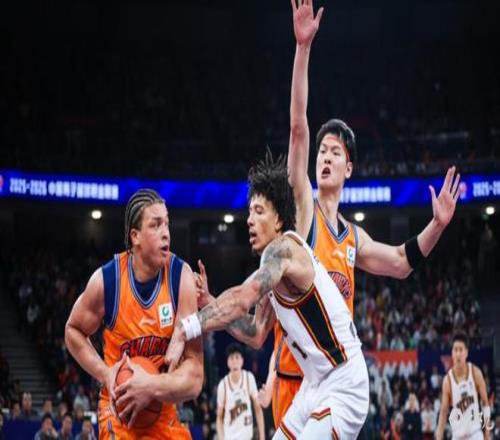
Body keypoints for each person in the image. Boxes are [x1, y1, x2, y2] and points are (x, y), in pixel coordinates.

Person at [256, 0, 464, 429]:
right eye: (322, 151)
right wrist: (302, 48)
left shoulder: (353, 237)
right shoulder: (303, 208)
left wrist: (437, 225)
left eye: (335, 152)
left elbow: (402, 262)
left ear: (349, 168)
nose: (325, 157)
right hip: (295, 381)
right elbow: (298, 127)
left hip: (334, 382)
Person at [167, 153, 369, 439]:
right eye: (249, 212)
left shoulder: (284, 250)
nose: (249, 220)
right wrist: (210, 303)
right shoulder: (274, 270)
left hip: (344, 382)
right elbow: (256, 332)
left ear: (279, 220)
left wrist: (185, 328)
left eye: (259, 211)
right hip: (315, 384)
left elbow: (242, 298)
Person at [65, 189, 203, 439]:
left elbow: (195, 378)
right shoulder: (107, 280)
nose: (166, 232)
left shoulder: (180, 277)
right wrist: (105, 373)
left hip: (162, 411)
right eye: (156, 224)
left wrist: (150, 386)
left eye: (167, 223)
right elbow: (72, 330)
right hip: (118, 412)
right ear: (135, 236)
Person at [436, 333, 491, 440]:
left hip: (475, 434)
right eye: (455, 350)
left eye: (461, 350)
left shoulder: (475, 373)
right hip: (458, 436)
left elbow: (485, 404)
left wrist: (487, 433)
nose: (458, 354)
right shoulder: (448, 381)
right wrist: (439, 437)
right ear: (452, 353)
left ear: (466, 352)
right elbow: (443, 412)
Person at [216, 343, 265, 440]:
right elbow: (219, 418)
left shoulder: (248, 378)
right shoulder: (223, 385)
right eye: (231, 358)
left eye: (237, 358)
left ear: (242, 361)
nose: (234, 362)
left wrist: (262, 437)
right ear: (227, 362)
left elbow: (258, 409)